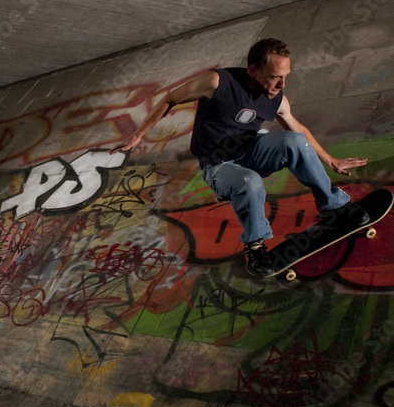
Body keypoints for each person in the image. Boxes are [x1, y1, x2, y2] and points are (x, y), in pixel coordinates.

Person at [112, 38, 369, 276]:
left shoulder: (277, 98)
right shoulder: (217, 82)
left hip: (252, 150)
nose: (281, 85)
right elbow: (170, 99)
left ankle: (334, 206)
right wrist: (138, 135)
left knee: (294, 141)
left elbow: (298, 129)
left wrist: (330, 159)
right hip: (218, 165)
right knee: (249, 181)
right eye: (275, 77)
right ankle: (255, 246)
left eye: (285, 77)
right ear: (253, 70)